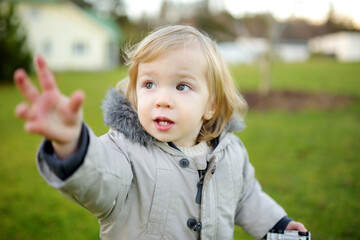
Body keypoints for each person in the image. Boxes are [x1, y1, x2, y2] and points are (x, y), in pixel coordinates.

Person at [14, 25, 307, 239]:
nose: (161, 99)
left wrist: (278, 225)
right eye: (149, 84)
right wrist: (72, 143)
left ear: (211, 104)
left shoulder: (230, 153)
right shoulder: (124, 151)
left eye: (182, 86)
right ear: (136, 92)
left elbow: (246, 198)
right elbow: (99, 178)